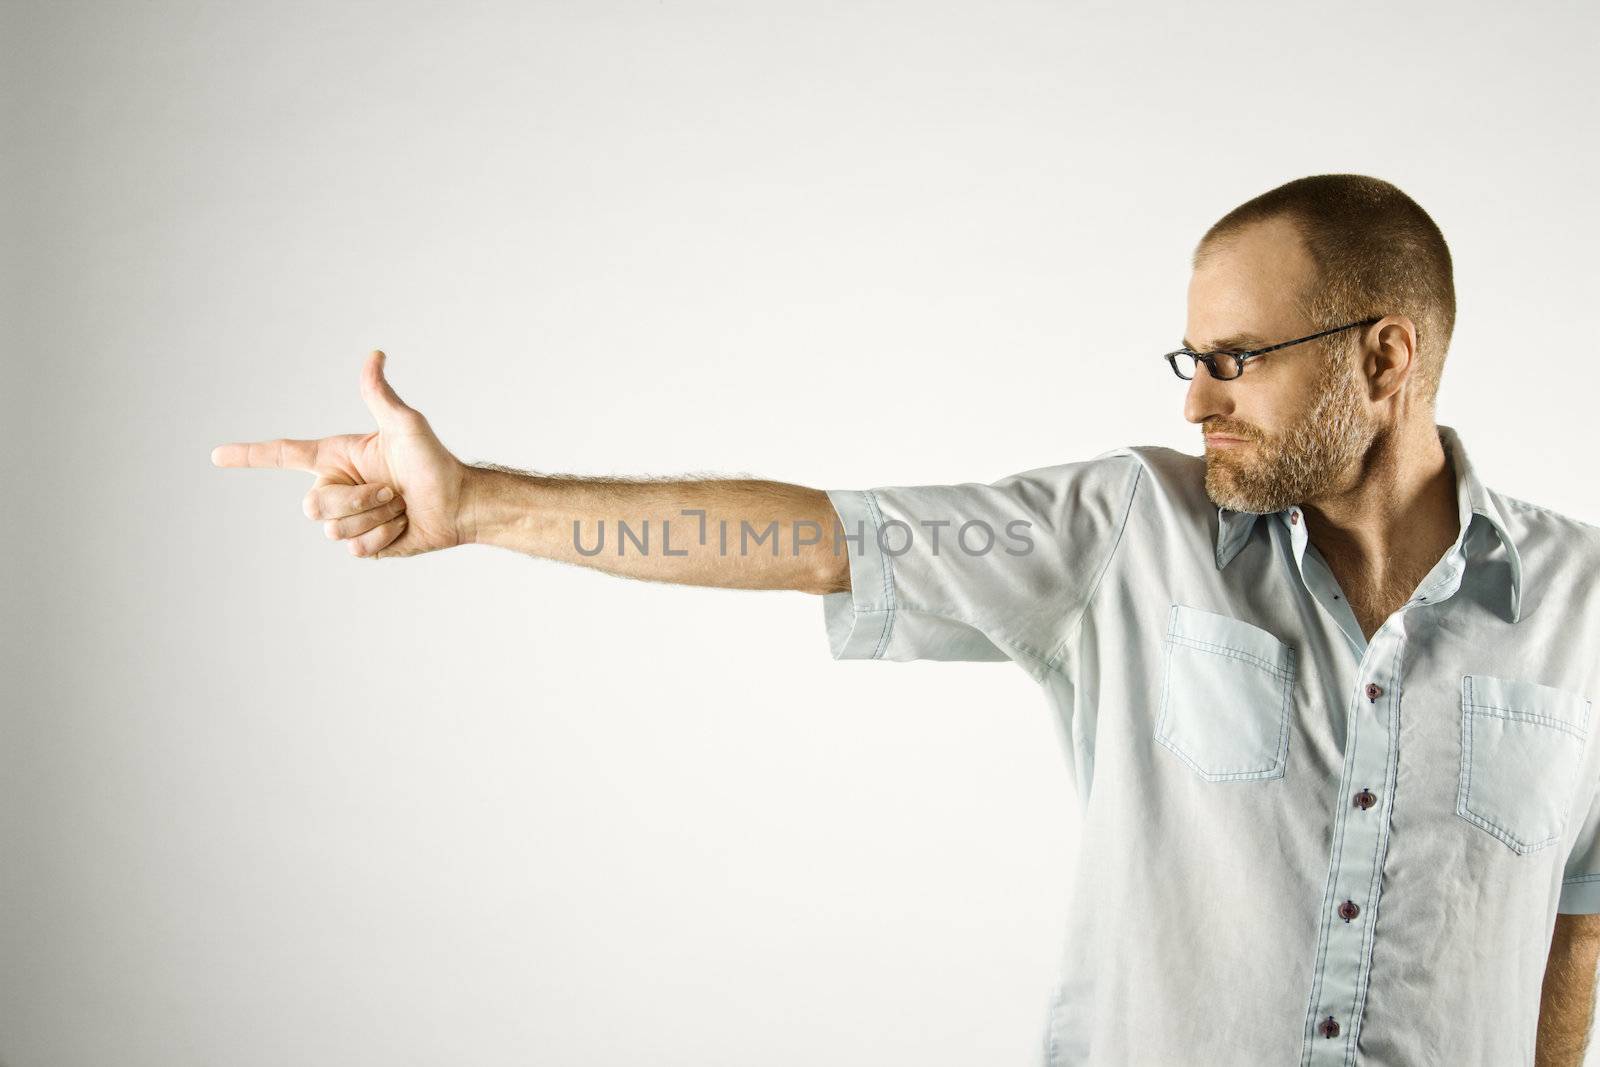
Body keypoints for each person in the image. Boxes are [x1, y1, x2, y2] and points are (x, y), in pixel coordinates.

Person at [212, 173, 1600, 1066]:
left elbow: (1576, 928)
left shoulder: (1586, 611)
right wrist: (478, 503)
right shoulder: (1126, 532)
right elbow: (818, 537)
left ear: (1385, 354)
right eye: (1192, 360)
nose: (1195, 400)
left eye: (1236, 361)